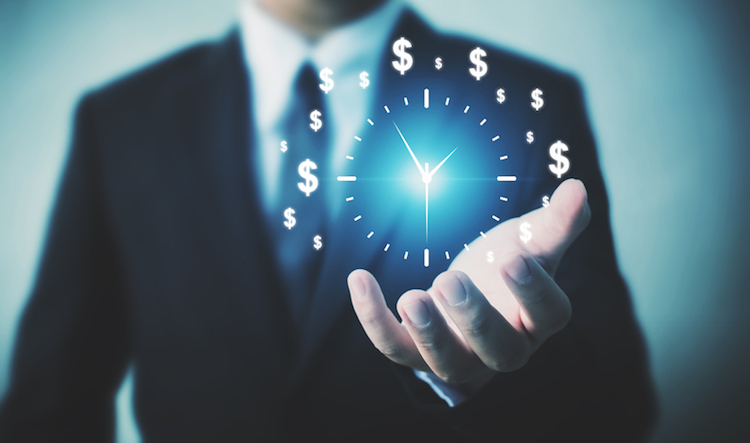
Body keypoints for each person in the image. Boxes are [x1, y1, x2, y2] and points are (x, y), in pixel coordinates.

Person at [0, 0, 656, 441]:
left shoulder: (529, 101)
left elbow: (617, 407)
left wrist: (481, 371)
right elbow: (51, 404)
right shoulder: (120, 122)